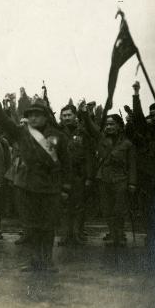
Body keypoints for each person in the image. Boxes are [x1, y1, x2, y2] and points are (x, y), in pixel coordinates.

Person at [0, 87, 70, 272]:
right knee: (31, 225)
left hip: (50, 187)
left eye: (37, 115)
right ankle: (35, 260)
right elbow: (4, 121)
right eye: (30, 115)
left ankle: (47, 260)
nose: (33, 118)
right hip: (26, 186)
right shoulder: (22, 132)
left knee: (48, 225)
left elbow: (67, 164)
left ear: (46, 117)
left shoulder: (58, 137)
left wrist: (65, 188)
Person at [80, 101, 137, 248]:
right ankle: (112, 234)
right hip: (103, 179)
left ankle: (120, 235)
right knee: (107, 209)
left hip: (121, 180)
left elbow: (132, 165)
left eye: (112, 124)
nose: (109, 127)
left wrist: (132, 183)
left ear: (119, 126)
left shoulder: (127, 144)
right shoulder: (101, 139)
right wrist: (85, 113)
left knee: (119, 209)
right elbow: (91, 128)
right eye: (107, 124)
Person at [131, 82, 155, 268]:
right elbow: (137, 118)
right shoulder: (146, 133)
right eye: (151, 115)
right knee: (148, 212)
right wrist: (136, 94)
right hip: (147, 181)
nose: (153, 118)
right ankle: (152, 240)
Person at [58, 104, 93, 246]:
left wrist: (89, 177)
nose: (66, 118)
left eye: (69, 115)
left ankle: (77, 234)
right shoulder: (57, 132)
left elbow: (89, 155)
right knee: (64, 206)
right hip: (62, 175)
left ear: (75, 116)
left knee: (79, 206)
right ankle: (65, 235)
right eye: (64, 115)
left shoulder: (83, 133)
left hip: (79, 175)